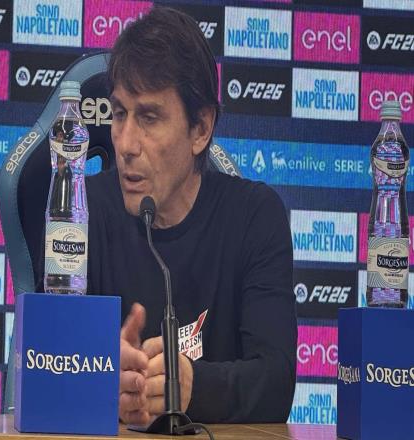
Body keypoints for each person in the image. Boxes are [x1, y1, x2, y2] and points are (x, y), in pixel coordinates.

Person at [85, 6, 297, 425]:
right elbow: (43, 369)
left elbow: (276, 382)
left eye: (149, 118)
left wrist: (192, 386)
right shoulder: (80, 214)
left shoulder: (255, 217)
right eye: (120, 114)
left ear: (200, 129)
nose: (126, 144)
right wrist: (101, 376)